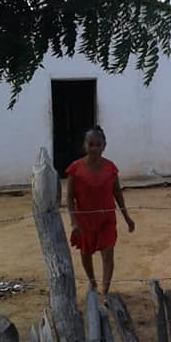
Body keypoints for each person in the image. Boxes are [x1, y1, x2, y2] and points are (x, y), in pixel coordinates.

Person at [65, 126, 135, 296]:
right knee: (86, 251)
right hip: (85, 220)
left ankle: (105, 290)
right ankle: (92, 282)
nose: (94, 148)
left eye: (98, 144)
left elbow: (117, 193)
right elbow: (69, 198)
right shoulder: (75, 169)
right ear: (85, 146)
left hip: (106, 219)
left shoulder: (111, 168)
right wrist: (73, 221)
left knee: (108, 253)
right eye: (91, 144)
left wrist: (127, 217)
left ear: (104, 145)